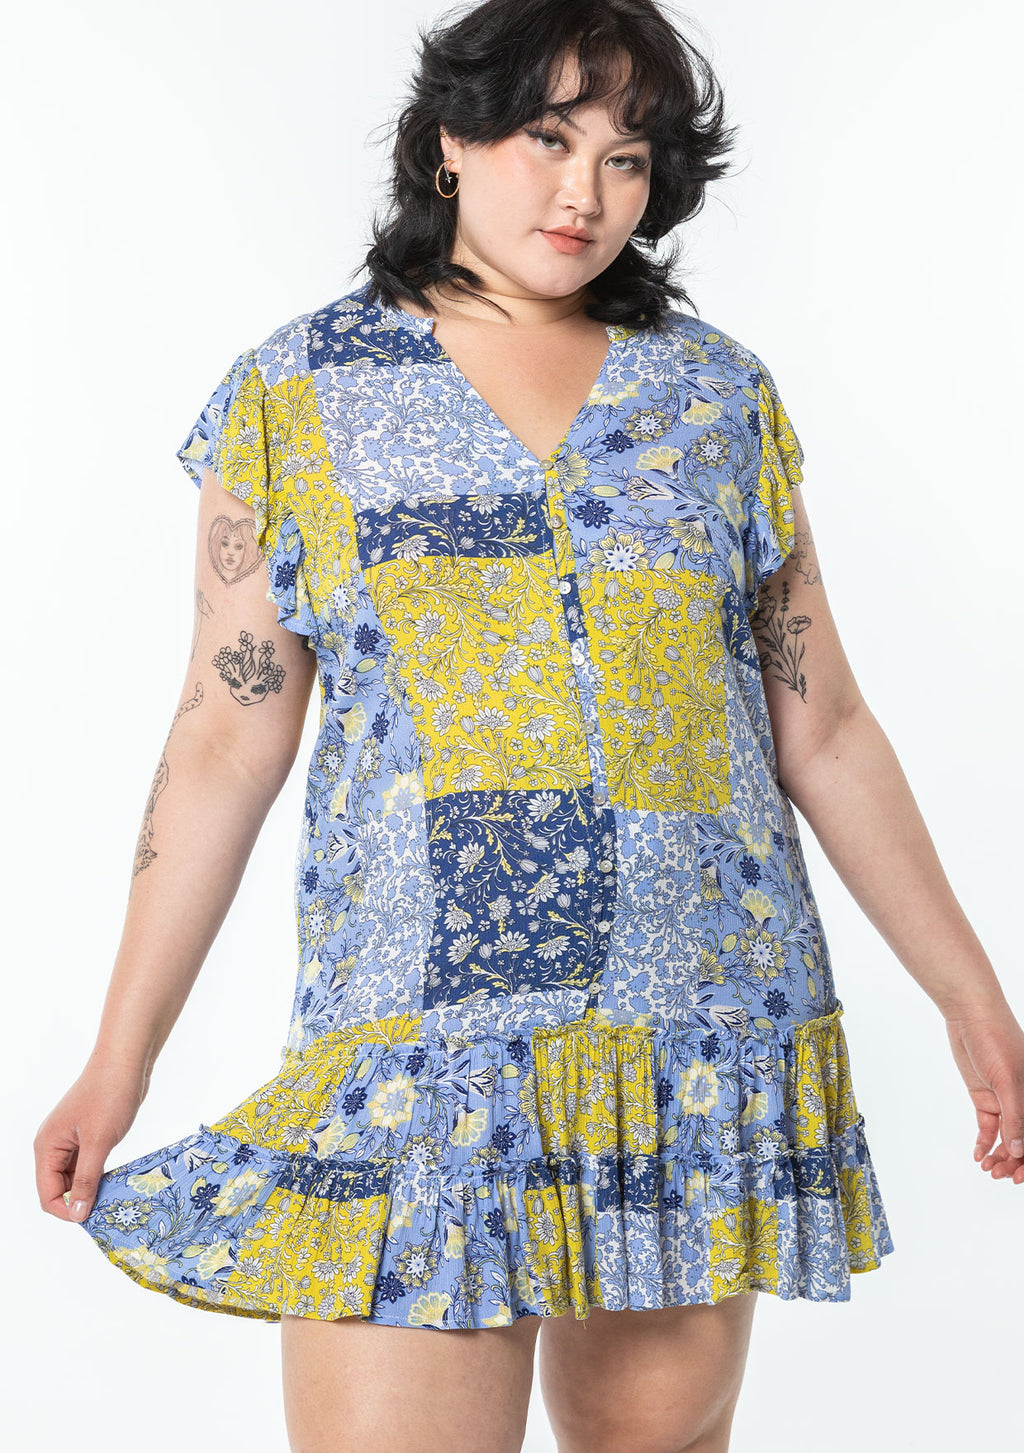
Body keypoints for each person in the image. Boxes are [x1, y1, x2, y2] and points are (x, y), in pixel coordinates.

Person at [34, 1, 1024, 1450]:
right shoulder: (301, 395)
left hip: (689, 1033)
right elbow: (224, 739)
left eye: (627, 157)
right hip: (415, 1040)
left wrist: (971, 997)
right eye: (548, 139)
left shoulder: (716, 396)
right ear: (451, 139)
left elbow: (824, 727)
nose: (585, 194)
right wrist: (118, 1056)